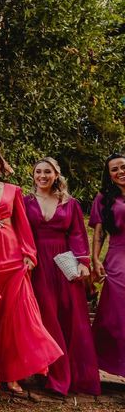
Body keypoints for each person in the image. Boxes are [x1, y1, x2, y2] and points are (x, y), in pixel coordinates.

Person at [0, 148, 62, 393]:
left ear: (1, 165)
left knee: (16, 320)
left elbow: (22, 226)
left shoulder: (14, 191)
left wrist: (29, 255)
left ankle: (14, 375)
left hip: (13, 263)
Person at [24, 157, 100, 395]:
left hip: (64, 263)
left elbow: (78, 233)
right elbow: (21, 232)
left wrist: (83, 263)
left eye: (48, 172)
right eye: (38, 172)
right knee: (47, 318)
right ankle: (54, 376)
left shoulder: (70, 203)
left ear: (56, 175)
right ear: (33, 175)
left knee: (72, 317)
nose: (43, 176)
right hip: (38, 263)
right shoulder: (25, 202)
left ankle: (79, 377)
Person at [90, 153, 125, 377]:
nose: (120, 172)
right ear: (109, 175)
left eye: (123, 166)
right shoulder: (103, 198)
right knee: (117, 316)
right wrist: (95, 259)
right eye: (115, 169)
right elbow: (99, 233)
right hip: (118, 258)